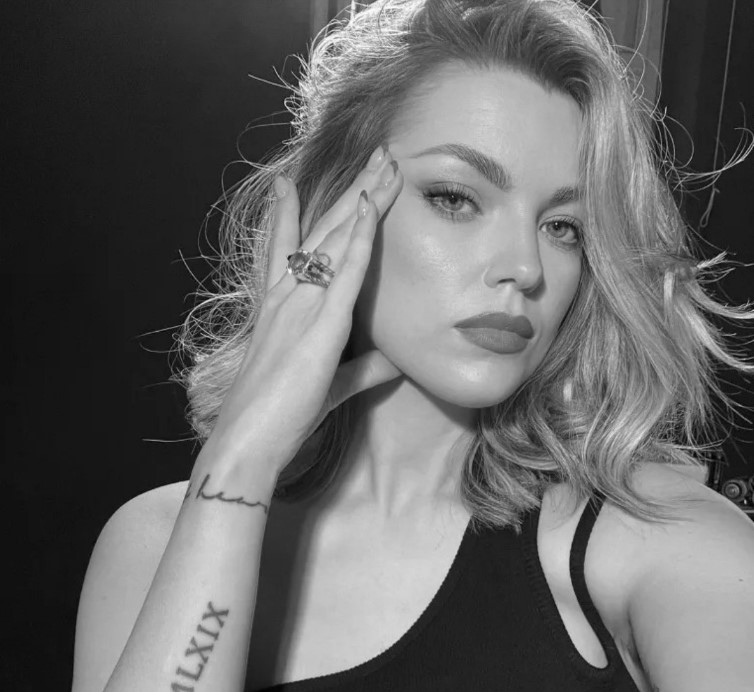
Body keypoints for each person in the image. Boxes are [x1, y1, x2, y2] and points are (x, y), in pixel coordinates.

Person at [72, 1, 754, 690]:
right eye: (456, 198)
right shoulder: (155, 546)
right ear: (335, 205)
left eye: (562, 227)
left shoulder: (663, 538)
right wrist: (239, 468)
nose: (525, 267)